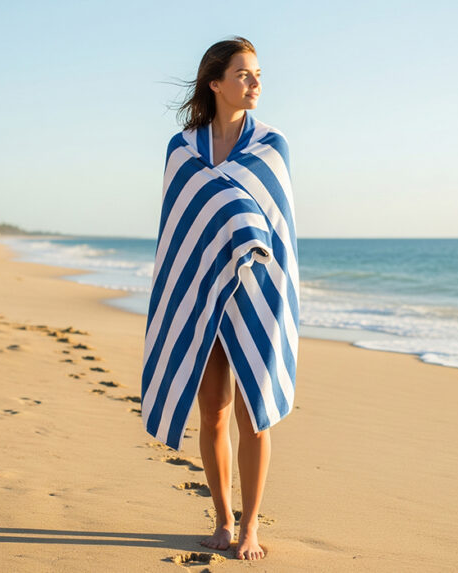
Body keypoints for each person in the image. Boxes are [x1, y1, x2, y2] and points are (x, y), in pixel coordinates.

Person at [182, 36, 269, 561]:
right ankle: (222, 518)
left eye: (257, 74)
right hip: (201, 292)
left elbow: (277, 228)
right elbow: (179, 231)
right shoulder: (183, 149)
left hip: (254, 295)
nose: (254, 82)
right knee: (213, 411)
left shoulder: (271, 145)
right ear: (215, 83)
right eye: (243, 73)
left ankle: (251, 526)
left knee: (252, 412)